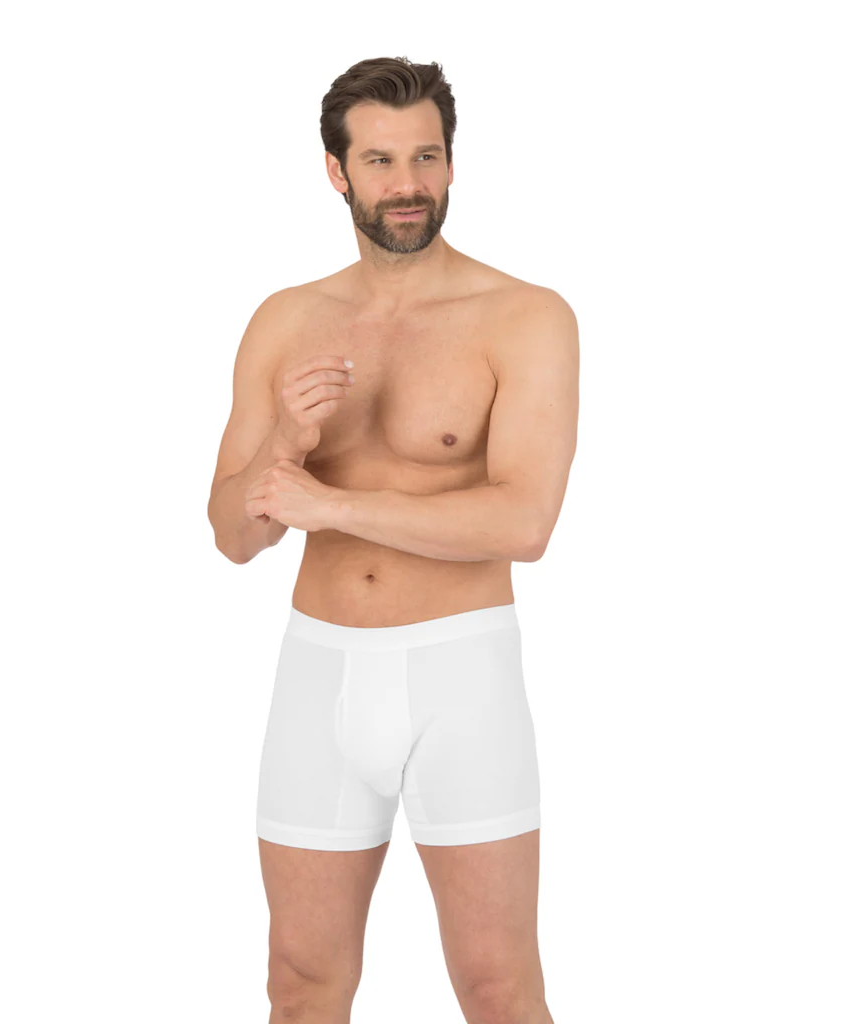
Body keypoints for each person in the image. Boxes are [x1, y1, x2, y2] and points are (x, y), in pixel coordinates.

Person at [207, 55, 578, 1024]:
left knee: (498, 988)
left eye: (426, 157)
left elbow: (524, 522)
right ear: (337, 171)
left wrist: (331, 506)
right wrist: (285, 446)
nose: (407, 183)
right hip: (319, 672)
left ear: (451, 162)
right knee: (299, 982)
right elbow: (233, 533)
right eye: (380, 161)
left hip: (462, 675)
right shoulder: (285, 320)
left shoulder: (525, 317)